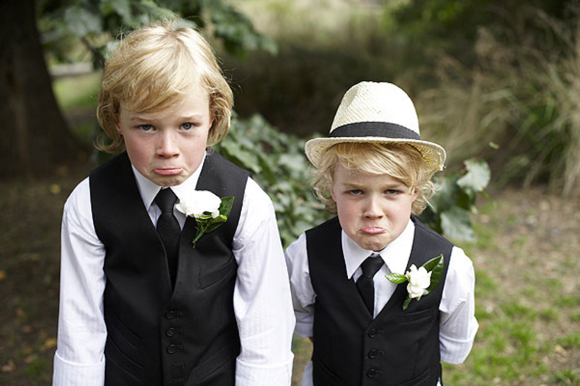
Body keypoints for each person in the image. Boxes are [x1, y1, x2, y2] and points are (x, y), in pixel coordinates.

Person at [53, 20, 295, 386]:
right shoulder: (87, 205)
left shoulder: (248, 204)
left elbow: (266, 331)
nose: (168, 149)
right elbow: (80, 330)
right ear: (117, 120)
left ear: (212, 116)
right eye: (146, 127)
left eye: (186, 126)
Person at [285, 81, 478, 385]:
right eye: (356, 191)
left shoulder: (451, 265)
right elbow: (301, 318)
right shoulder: (305, 255)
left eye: (391, 191)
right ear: (331, 189)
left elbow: (454, 345)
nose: (373, 209)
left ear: (415, 191)